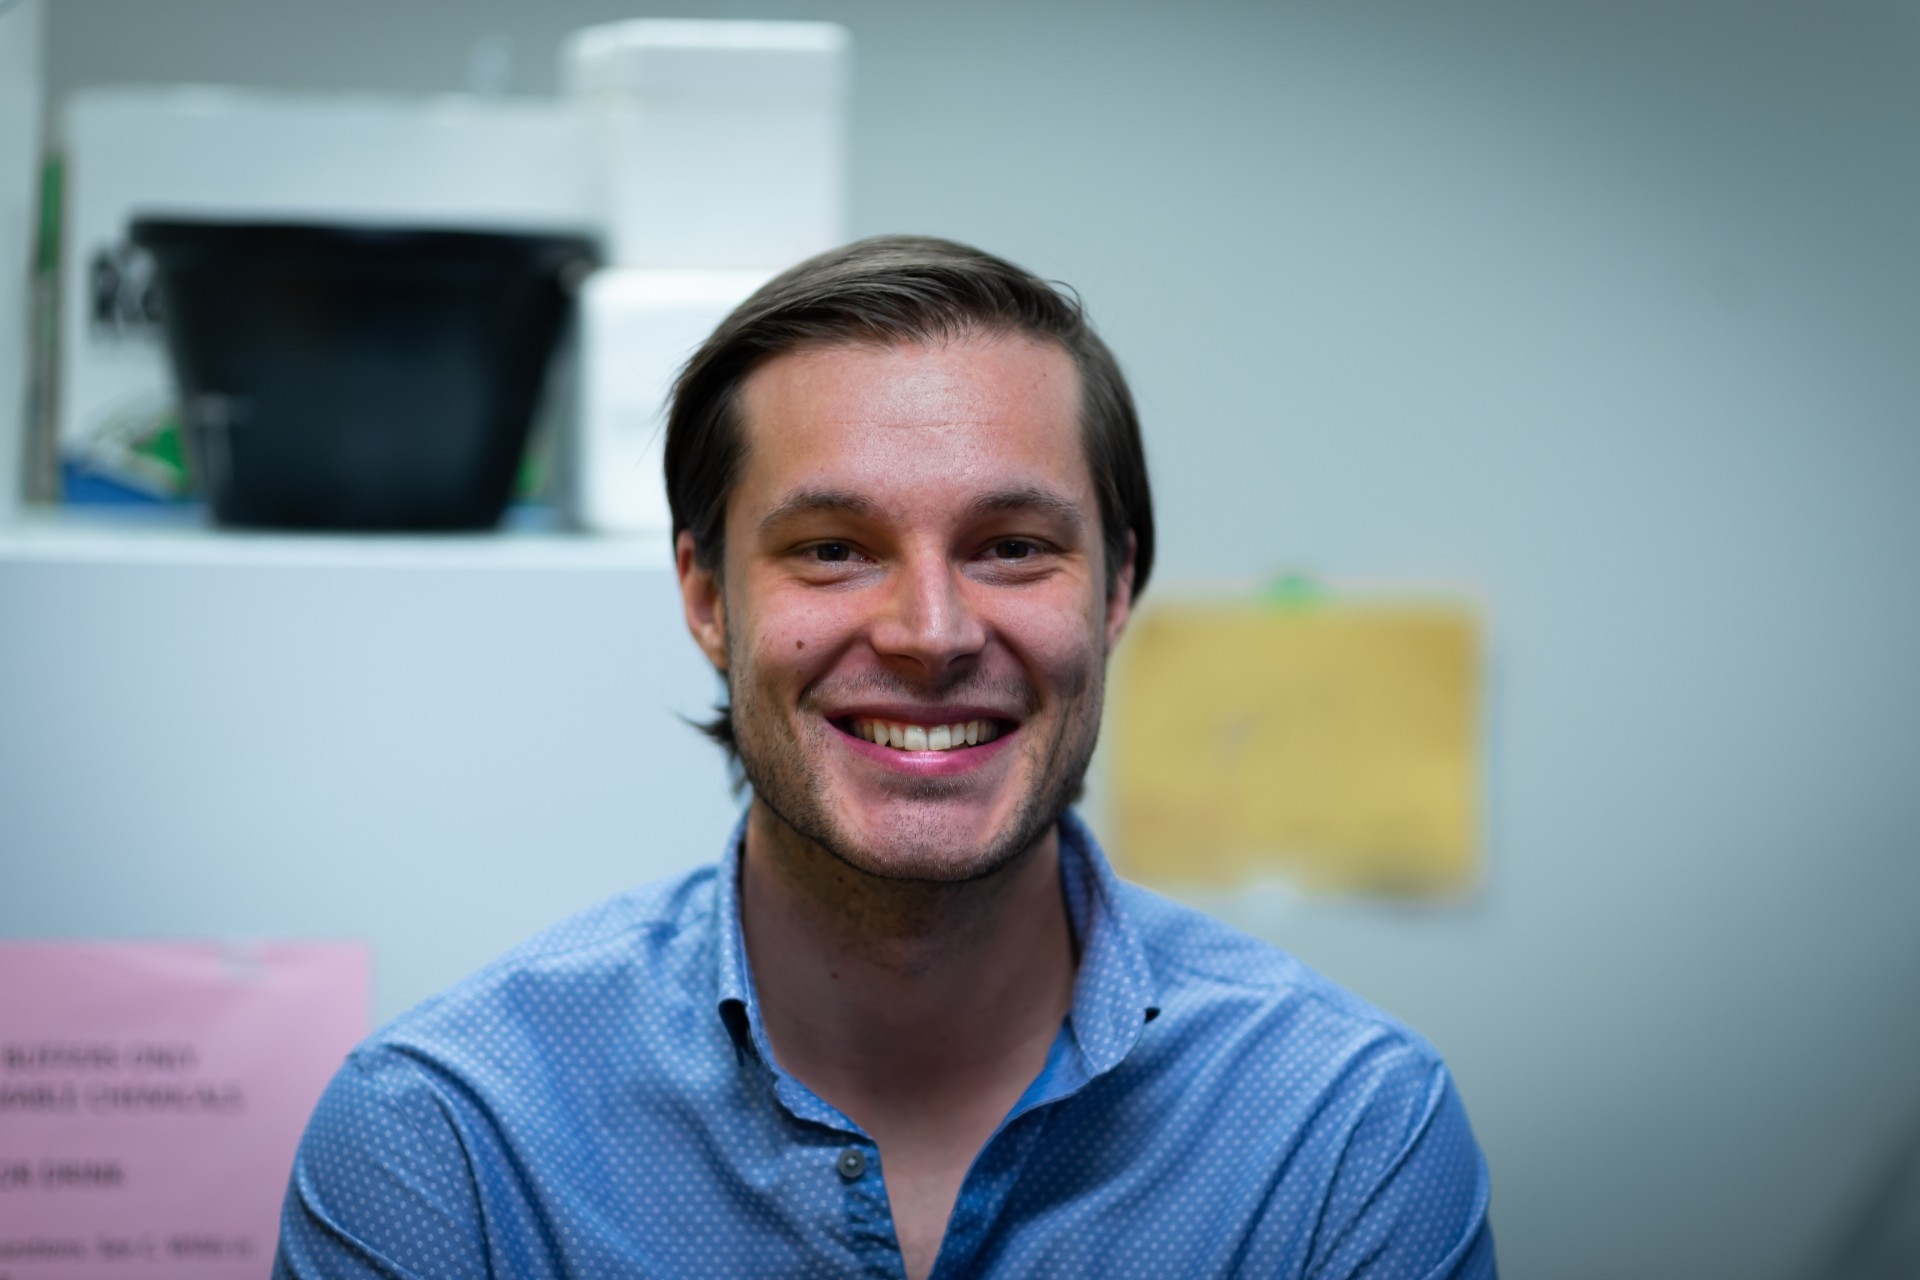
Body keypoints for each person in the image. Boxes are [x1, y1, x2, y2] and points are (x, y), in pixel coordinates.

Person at [274, 236, 1496, 1279]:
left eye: (1013, 546)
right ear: (706, 594)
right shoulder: (449, 1144)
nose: (931, 634)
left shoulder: (1341, 1135)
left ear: (1119, 585)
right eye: (832, 548)